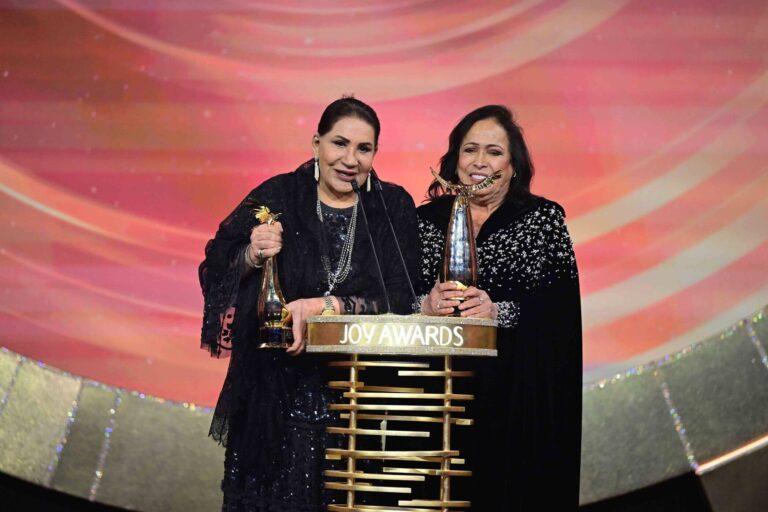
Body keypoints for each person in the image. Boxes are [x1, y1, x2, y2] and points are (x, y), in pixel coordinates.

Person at [199, 97, 418, 511]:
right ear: (317, 143)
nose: (350, 159)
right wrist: (252, 253)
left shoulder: (392, 207)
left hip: (356, 406)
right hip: (271, 404)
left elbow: (403, 299)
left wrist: (325, 306)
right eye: (339, 143)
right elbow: (217, 269)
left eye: (364, 148)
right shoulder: (278, 197)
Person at [416, 105, 583, 510]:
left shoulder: (542, 220)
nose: (480, 162)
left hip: (514, 398)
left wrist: (498, 313)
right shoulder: (421, 221)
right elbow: (389, 297)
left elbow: (559, 319)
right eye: (470, 149)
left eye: (493, 152)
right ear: (455, 159)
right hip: (433, 397)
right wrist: (424, 304)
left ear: (513, 165)